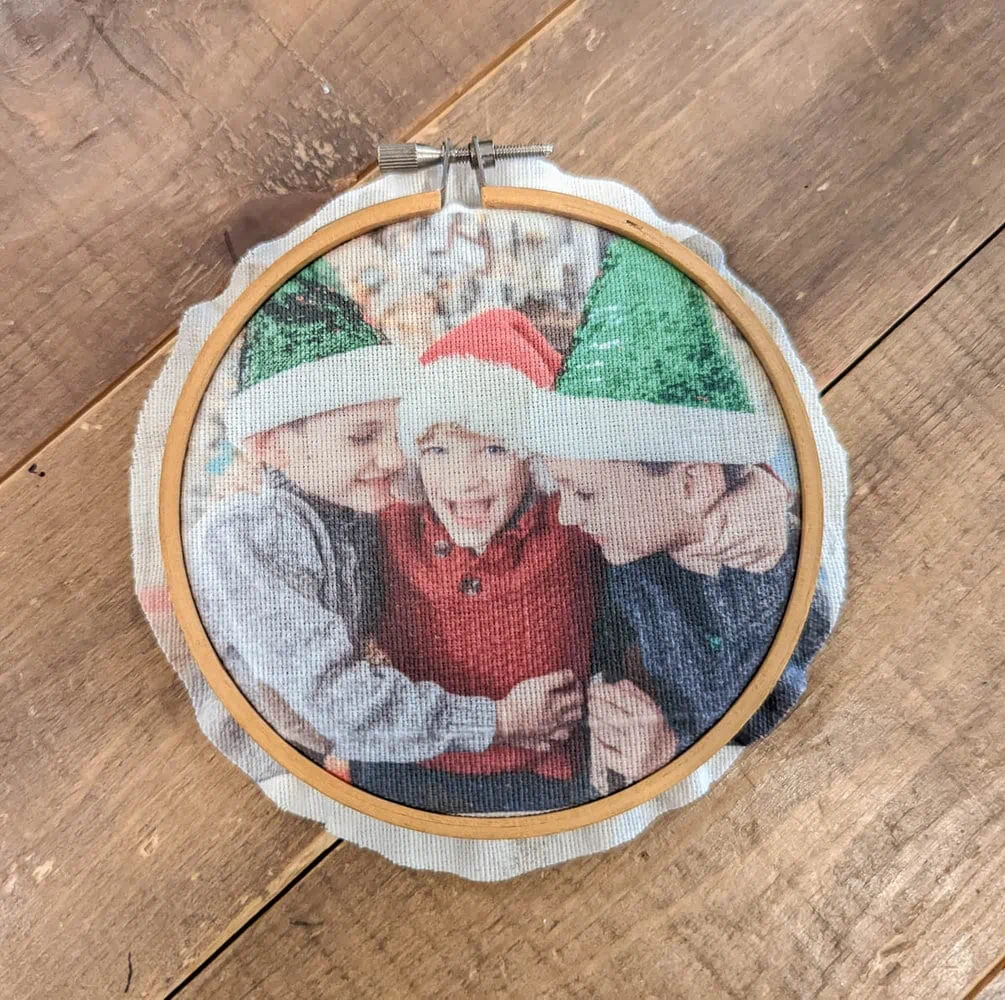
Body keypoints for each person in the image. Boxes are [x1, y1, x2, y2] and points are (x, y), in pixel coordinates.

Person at [190, 261, 573, 771]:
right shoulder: (244, 539)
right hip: (263, 774)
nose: (395, 458)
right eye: (363, 437)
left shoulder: (357, 508)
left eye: (396, 433)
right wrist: (496, 721)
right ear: (273, 445)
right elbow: (337, 701)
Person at [526, 236, 833, 791]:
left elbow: (786, 728)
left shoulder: (778, 582)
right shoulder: (631, 560)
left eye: (587, 494)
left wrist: (668, 754)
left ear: (691, 480)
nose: (567, 515)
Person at [350, 309, 598, 814]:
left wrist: (754, 492)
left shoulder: (574, 520)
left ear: (532, 455)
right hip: (405, 770)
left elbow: (651, 478)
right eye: (438, 450)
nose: (464, 482)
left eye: (492, 449)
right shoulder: (390, 524)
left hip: (539, 780)